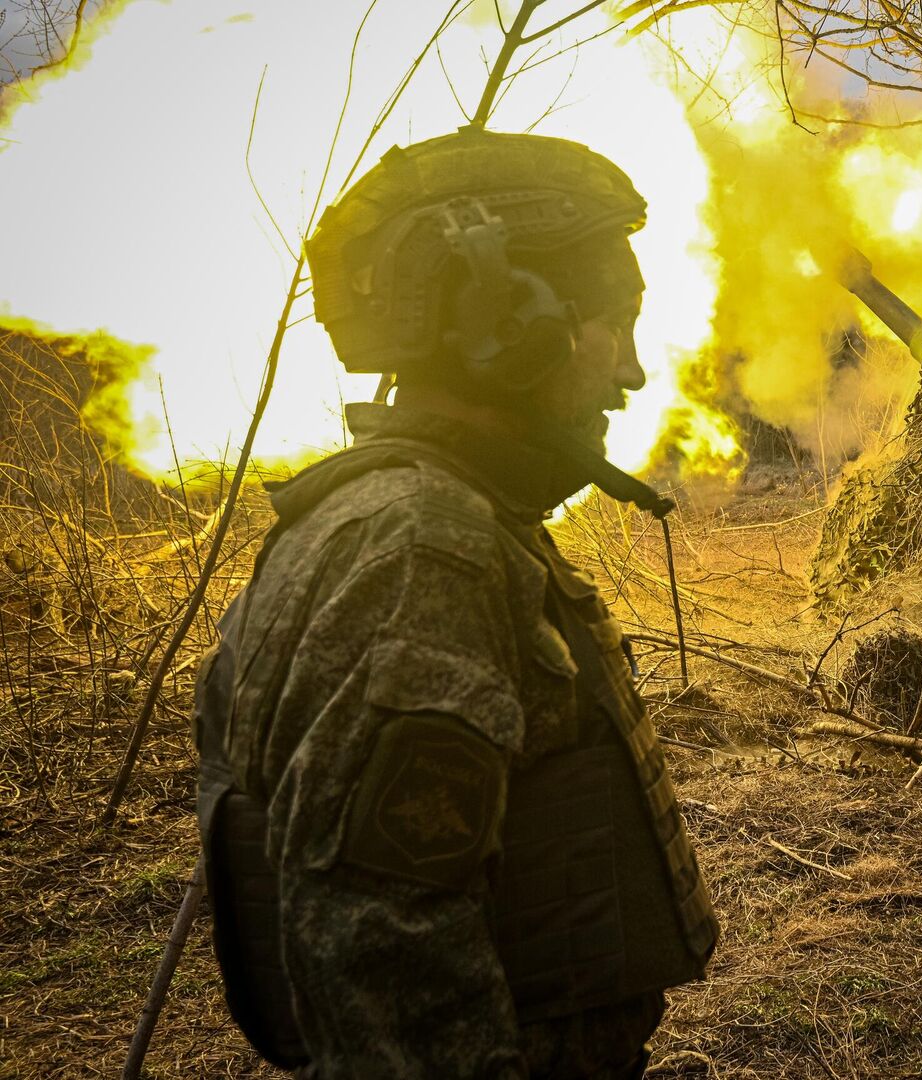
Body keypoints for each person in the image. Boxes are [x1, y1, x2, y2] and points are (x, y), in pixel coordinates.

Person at [192, 129, 718, 1079]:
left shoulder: (431, 517)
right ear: (513, 325)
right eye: (619, 324)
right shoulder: (423, 550)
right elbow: (388, 973)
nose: (633, 373)